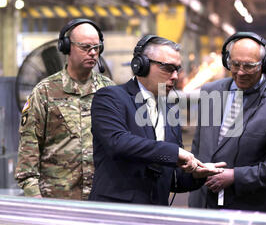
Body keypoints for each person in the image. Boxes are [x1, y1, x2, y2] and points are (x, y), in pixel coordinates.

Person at [88, 35, 224, 205]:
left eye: (177, 69)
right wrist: (174, 153)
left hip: (156, 215)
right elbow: (118, 142)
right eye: (168, 68)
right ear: (141, 65)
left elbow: (172, 178)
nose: (175, 76)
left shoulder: (170, 111)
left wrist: (196, 174)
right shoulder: (110, 97)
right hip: (117, 212)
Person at [188, 32, 266, 212]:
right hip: (203, 204)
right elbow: (199, 144)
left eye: (249, 66)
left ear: (265, 65)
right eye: (235, 64)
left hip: (249, 209)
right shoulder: (210, 92)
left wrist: (235, 177)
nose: (239, 72)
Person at [15, 18, 114, 199]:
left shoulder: (109, 91)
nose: (92, 53)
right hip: (57, 201)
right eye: (85, 47)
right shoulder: (44, 92)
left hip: (100, 200)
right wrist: (37, 201)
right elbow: (28, 157)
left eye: (96, 47)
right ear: (67, 47)